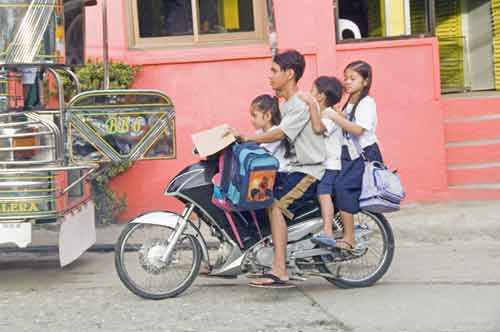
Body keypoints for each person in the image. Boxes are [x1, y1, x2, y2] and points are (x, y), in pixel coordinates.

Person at [225, 50, 326, 288]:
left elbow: (279, 133)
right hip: (294, 169)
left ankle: (280, 270)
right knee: (259, 193)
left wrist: (249, 139)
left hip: (310, 171)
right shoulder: (288, 104)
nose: (269, 76)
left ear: (289, 74)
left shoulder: (300, 103)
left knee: (275, 204)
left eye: (274, 71)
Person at [324, 60, 383, 251]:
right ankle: (338, 229)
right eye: (346, 77)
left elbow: (357, 130)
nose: (347, 82)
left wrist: (335, 117)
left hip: (364, 156)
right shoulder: (350, 102)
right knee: (330, 186)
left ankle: (349, 238)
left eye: (353, 78)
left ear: (365, 81)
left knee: (343, 187)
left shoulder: (366, 103)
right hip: (349, 155)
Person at [299, 76, 344, 248]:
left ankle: (328, 231)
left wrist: (310, 104)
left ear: (321, 96)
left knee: (323, 194)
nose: (310, 94)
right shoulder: (321, 113)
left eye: (312, 91)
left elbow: (318, 129)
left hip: (330, 165)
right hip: (320, 164)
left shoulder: (330, 115)